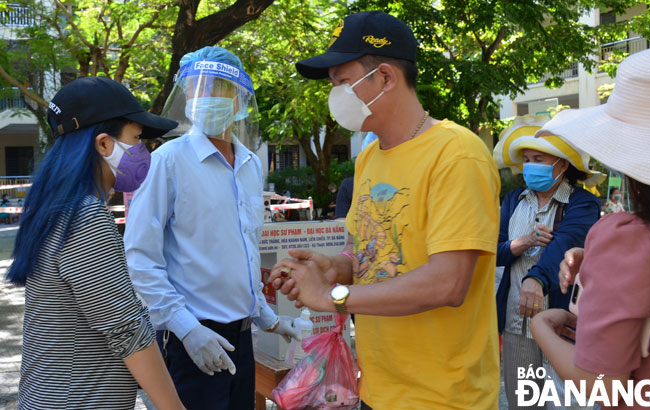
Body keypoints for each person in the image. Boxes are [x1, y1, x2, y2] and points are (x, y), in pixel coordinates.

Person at [268, 11, 502, 409]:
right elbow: (372, 252)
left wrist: (333, 296)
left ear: (386, 78)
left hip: (444, 397)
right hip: (378, 388)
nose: (335, 94)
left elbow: (448, 283)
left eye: (343, 82)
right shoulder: (369, 157)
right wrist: (336, 267)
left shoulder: (457, 154)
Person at [124, 46, 299, 410]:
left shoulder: (250, 165)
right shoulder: (167, 162)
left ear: (238, 97)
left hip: (242, 338)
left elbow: (243, 251)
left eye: (215, 85)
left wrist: (267, 318)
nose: (202, 96)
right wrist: (186, 329)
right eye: (193, 87)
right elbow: (140, 256)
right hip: (191, 340)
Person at [4, 76, 183, 409]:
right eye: (137, 137)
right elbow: (128, 333)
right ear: (103, 144)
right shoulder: (84, 219)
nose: (143, 151)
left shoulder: (54, 209)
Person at [531, 47, 650, 408]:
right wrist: (600, 263)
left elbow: (599, 384)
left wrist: (540, 329)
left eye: (539, 159)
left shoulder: (625, 236)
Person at [492, 114, 602, 409]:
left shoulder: (583, 202)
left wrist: (536, 278)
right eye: (526, 158)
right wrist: (524, 241)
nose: (529, 165)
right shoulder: (513, 200)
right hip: (517, 322)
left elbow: (566, 242)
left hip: (563, 324)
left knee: (568, 402)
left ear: (562, 164)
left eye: (538, 158)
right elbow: (496, 251)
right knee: (523, 402)